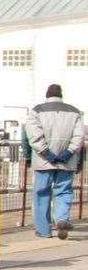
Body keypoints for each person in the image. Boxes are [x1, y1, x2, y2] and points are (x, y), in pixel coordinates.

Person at [24, 84, 83, 239]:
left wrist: (46, 153)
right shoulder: (75, 112)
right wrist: (69, 152)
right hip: (67, 160)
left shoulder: (37, 111)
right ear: (61, 95)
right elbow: (79, 137)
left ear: (47, 95)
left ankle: (43, 230)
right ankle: (62, 219)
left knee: (41, 193)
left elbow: (32, 135)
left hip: (43, 161)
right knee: (64, 191)